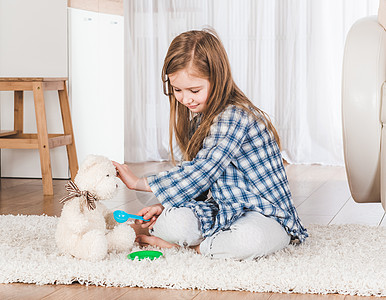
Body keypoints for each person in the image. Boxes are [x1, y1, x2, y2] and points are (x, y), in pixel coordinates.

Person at [113, 28, 308, 260]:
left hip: (263, 214)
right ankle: (196, 239)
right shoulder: (200, 122)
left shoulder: (236, 116)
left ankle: (189, 249)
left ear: (218, 78)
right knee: (176, 221)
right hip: (222, 209)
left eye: (194, 90)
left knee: (250, 240)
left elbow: (205, 170)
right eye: (177, 90)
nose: (185, 99)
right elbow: (201, 185)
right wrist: (165, 207)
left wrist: (139, 183)